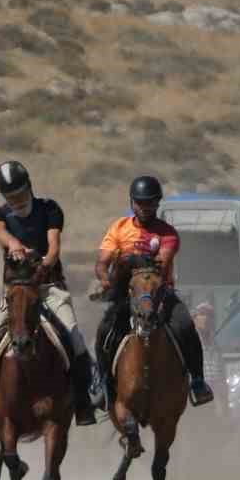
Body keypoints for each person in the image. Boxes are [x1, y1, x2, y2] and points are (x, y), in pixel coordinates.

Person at [0, 159, 97, 426]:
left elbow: (53, 248)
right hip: (16, 293)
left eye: (20, 194)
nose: (17, 201)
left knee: (73, 337)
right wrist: (14, 244)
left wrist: (43, 264)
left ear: (29, 187)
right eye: (11, 197)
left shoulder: (49, 209)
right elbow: (0, 233)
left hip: (48, 288)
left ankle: (84, 401)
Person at [92, 175, 215, 408]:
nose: (144, 208)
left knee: (186, 325)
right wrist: (105, 278)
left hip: (159, 294)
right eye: (140, 203)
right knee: (104, 331)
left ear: (157, 204)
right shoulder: (118, 228)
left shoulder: (168, 233)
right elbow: (102, 262)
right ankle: (103, 383)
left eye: (150, 203)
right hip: (125, 294)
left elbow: (160, 264)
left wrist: (130, 260)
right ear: (132, 203)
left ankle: (198, 382)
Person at [191, 302, 224, 405]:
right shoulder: (190, 342)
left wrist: (223, 401)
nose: (206, 318)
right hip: (197, 396)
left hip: (214, 397)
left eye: (209, 315)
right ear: (195, 319)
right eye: (202, 314)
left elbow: (221, 373)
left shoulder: (215, 344)